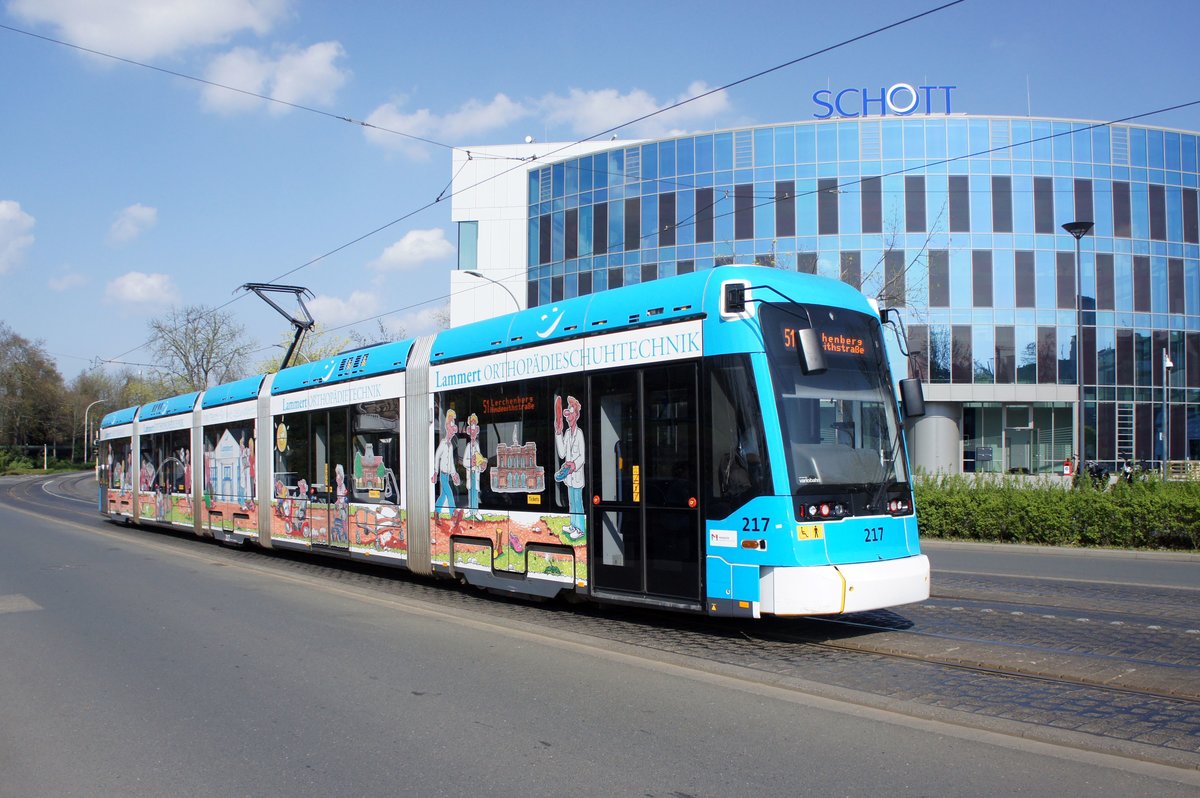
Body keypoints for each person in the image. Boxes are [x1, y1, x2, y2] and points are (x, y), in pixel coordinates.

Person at [554, 395, 586, 541]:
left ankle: (580, 529)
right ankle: (573, 525)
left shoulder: (579, 434)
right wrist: (558, 433)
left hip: (577, 476)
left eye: (570, 413)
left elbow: (582, 457)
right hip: (569, 477)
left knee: (578, 502)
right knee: (571, 502)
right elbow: (561, 453)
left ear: (576, 415)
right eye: (567, 414)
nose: (568, 416)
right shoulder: (567, 433)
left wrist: (574, 465)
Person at [432, 408, 460, 519]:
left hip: (447, 474)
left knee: (443, 495)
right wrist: (435, 472)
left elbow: (451, 463)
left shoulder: (450, 445)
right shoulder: (443, 443)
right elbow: (437, 457)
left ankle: (436, 512)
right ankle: (453, 513)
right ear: (447, 427)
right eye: (451, 425)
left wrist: (453, 474)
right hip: (443, 474)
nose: (453, 428)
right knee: (449, 493)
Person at [461, 413, 485, 522]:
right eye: (471, 431)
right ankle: (471, 511)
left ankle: (475, 511)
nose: (473, 433)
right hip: (470, 473)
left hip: (476, 473)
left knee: (475, 492)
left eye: (475, 431)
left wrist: (482, 464)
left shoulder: (477, 445)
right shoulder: (468, 446)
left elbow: (480, 460)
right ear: (469, 432)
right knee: (471, 492)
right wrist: (472, 462)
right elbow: (465, 461)